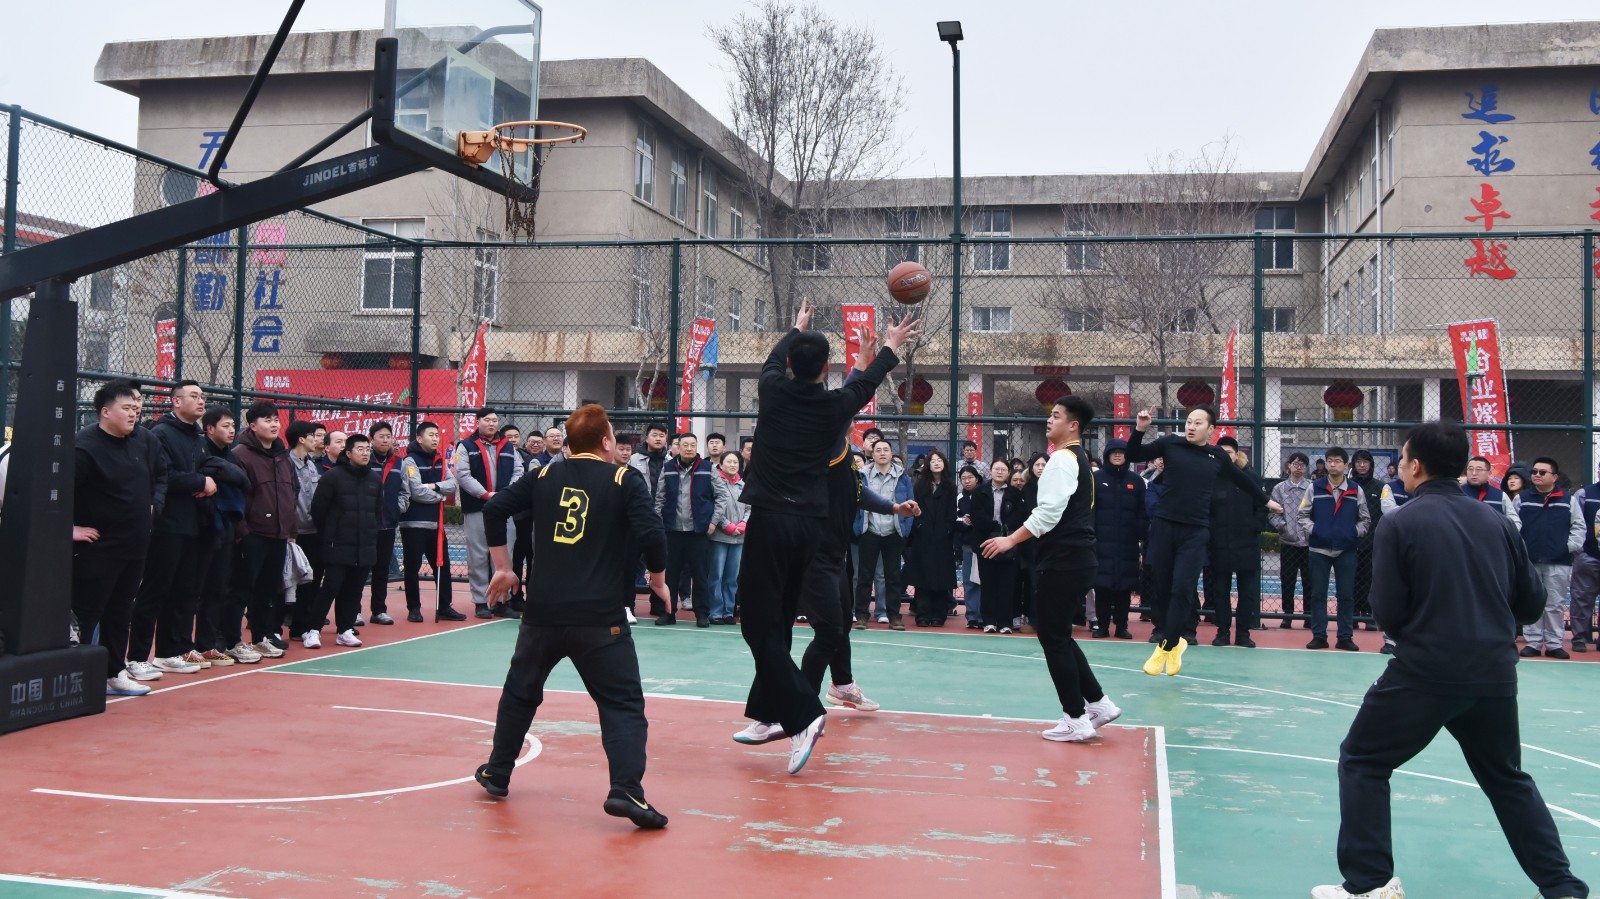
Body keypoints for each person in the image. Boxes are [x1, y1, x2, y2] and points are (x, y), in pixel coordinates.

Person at [1311, 422, 1590, 899]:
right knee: (1506, 779)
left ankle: (1369, 883)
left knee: (1362, 760)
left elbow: (1388, 611)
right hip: (1494, 671)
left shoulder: (1401, 522)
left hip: (1427, 670)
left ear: (1416, 466)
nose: (1401, 467)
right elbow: (1531, 604)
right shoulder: (1498, 522)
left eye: (1402, 459)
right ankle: (1562, 887)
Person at [736, 298, 914, 775]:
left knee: (757, 627)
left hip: (770, 521)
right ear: (826, 369)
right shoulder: (835, 407)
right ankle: (772, 713)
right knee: (776, 625)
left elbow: (775, 358)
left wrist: (796, 327)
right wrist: (889, 348)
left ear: (791, 365)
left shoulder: (772, 389)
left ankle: (803, 714)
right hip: (809, 528)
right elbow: (865, 383)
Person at [473, 404, 672, 829]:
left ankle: (498, 770)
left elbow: (493, 509)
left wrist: (503, 567)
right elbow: (652, 534)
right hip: (600, 618)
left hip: (542, 613)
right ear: (606, 442)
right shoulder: (622, 479)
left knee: (520, 691)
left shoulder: (543, 475)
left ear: (568, 443)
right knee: (622, 703)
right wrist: (657, 580)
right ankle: (625, 790)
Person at [981, 396, 1121, 743]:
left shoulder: (1061, 460)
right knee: (1058, 634)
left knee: (1052, 637)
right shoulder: (1078, 459)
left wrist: (1010, 539)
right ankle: (1098, 704)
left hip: (1064, 559)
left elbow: (1048, 513)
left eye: (1056, 416)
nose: (1049, 420)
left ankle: (1075, 717)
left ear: (1073, 425)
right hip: (1076, 558)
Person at [1127, 405, 1279, 676]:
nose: (1191, 426)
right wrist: (1139, 429)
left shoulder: (1217, 455)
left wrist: (1265, 500)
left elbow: (1242, 480)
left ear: (1210, 429)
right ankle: (1176, 643)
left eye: (1198, 423)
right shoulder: (1170, 444)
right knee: (1162, 588)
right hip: (1164, 526)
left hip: (1195, 531)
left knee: (1182, 588)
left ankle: (1166, 645)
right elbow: (1133, 454)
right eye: (1188, 421)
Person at [74, 380, 167, 696]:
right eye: (126, 408)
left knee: (120, 612)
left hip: (134, 546)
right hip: (97, 549)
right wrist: (70, 528)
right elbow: (56, 495)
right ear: (105, 412)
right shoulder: (84, 447)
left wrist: (152, 509)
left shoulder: (140, 442)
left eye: (135, 408)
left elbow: (159, 478)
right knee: (87, 614)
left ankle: (114, 672)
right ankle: (77, 677)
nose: (134, 413)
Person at [126, 380, 214, 678]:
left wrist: (208, 480)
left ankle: (168, 652)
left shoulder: (197, 436)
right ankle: (137, 657)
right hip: (166, 526)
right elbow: (163, 476)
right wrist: (199, 482)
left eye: (203, 396)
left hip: (193, 524)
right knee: (154, 592)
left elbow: (205, 468)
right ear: (175, 401)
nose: (201, 401)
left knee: (183, 592)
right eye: (194, 396)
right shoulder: (161, 433)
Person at [231, 401, 298, 660]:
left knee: (269, 590)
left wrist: (289, 528)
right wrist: (243, 532)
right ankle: (231, 640)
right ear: (252, 425)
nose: (274, 424)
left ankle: (262, 638)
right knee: (241, 589)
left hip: (278, 533)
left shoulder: (282, 455)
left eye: (276, 419)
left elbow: (291, 491)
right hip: (252, 534)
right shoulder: (240, 455)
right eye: (267, 420)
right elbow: (237, 496)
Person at [192, 406, 257, 665]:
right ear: (209, 428)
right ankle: (186, 647)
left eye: (233, 425)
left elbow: (244, 483)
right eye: (225, 426)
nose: (231, 430)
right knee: (195, 589)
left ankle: (209, 644)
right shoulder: (200, 450)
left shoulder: (230, 455)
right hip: (203, 527)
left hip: (227, 527)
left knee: (218, 587)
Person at [306, 433, 382, 648]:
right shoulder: (333, 477)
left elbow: (377, 512)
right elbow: (318, 510)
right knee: (330, 587)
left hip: (364, 546)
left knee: (354, 590)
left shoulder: (374, 479)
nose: (365, 453)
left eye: (367, 449)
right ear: (348, 453)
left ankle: (345, 630)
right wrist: (332, 533)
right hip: (337, 545)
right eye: (360, 449)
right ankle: (313, 630)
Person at [1296, 447, 1372, 651]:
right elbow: (1302, 515)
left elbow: (1365, 519)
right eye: (1330, 460)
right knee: (1318, 595)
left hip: (1347, 550)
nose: (1333, 464)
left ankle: (1345, 636)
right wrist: (1316, 531)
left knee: (1346, 595)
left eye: (1337, 461)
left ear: (1346, 465)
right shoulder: (1314, 488)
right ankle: (1319, 636)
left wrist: (1353, 533)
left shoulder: (1355, 490)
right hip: (1319, 550)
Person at [454, 408, 525, 620]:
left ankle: (501, 602)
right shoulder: (465, 446)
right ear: (478, 422)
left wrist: (506, 496)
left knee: (505, 556)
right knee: (477, 555)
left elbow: (519, 472)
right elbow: (463, 475)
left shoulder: (508, 446)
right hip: (477, 508)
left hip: (504, 509)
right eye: (487, 420)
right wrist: (485, 495)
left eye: (495, 420)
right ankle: (481, 602)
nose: (492, 423)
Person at [1513, 457, 1585, 660]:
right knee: (1532, 600)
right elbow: (1513, 526)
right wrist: (1521, 550)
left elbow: (1579, 526)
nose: (1537, 475)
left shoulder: (1568, 500)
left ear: (1554, 477)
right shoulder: (1522, 499)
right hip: (1529, 561)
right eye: (1534, 472)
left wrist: (1568, 548)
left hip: (1558, 561)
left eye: (1542, 472)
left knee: (1555, 604)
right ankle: (1533, 643)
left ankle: (1554, 644)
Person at [1204, 437, 1266, 648]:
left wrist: (1255, 526)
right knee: (1220, 592)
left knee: (1246, 593)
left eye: (1229, 452)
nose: (1225, 456)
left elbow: (1262, 505)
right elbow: (1206, 509)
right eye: (1220, 452)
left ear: (1237, 454)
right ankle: (1222, 632)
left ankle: (1243, 634)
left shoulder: (1251, 477)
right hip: (1219, 544)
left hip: (1247, 543)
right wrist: (1211, 532)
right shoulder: (1212, 477)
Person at [657, 432, 723, 627]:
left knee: (700, 575)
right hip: (672, 531)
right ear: (678, 447)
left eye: (692, 445)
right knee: (670, 576)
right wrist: (659, 524)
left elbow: (722, 496)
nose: (688, 448)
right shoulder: (668, 468)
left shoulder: (707, 468)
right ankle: (668, 613)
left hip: (698, 532)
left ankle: (702, 614)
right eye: (684, 445)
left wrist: (713, 522)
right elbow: (659, 499)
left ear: (697, 446)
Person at [400, 421, 461, 622]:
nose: (435, 439)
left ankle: (444, 607)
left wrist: (433, 486)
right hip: (414, 524)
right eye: (431, 435)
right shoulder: (410, 461)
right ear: (419, 438)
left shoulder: (440, 459)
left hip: (437, 525)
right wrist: (440, 496)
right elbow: (417, 491)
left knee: (442, 566)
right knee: (412, 567)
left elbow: (452, 484)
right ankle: (414, 608)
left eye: (437, 435)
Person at [854, 438, 913, 629]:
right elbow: (855, 502)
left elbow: (911, 504)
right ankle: (861, 615)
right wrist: (857, 527)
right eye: (877, 450)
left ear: (891, 453)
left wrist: (905, 529)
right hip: (869, 530)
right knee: (864, 576)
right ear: (872, 454)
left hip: (893, 531)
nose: (881, 453)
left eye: (885, 449)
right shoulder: (862, 475)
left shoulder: (903, 477)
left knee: (893, 576)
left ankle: (894, 615)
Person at [1092, 439, 1145, 640]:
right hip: (1100, 542)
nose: (1117, 455)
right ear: (1107, 455)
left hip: (1127, 542)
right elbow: (1089, 509)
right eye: (1113, 452)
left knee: (1124, 587)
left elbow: (1142, 511)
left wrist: (1140, 532)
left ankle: (1122, 626)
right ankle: (1102, 626)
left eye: (1121, 452)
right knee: (1102, 586)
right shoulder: (1096, 478)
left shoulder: (1136, 481)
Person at [903, 449, 957, 628]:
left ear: (944, 463)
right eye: (932, 460)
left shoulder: (950, 486)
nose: (936, 463)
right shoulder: (919, 485)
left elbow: (952, 513)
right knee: (923, 578)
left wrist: (947, 529)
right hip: (923, 537)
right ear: (927, 464)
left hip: (943, 538)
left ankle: (939, 615)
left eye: (939, 460)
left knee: (941, 578)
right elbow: (914, 510)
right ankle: (923, 615)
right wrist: (919, 526)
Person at [973, 458, 1026, 633]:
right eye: (997, 468)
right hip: (986, 542)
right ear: (990, 470)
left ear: (1008, 472)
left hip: (1009, 543)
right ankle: (989, 621)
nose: (1000, 472)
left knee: (1007, 584)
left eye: (1003, 469)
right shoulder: (980, 492)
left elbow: (1020, 515)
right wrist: (994, 527)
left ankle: (1005, 622)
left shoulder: (1015, 493)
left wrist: (1006, 529)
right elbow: (977, 516)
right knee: (988, 582)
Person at [284, 420, 326, 642]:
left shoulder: (311, 465)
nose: (317, 440)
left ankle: (301, 626)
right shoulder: (285, 463)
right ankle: (273, 627)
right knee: (285, 580)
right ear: (301, 439)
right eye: (313, 436)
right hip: (292, 532)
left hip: (312, 530)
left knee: (310, 580)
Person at [365, 422, 410, 626]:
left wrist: (395, 509)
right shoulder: (364, 460)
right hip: (364, 525)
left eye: (388, 436)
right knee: (359, 569)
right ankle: (353, 611)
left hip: (388, 524)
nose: (385, 440)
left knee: (381, 569)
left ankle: (379, 610)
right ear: (371, 439)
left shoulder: (399, 463)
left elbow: (405, 492)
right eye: (381, 436)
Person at [1270, 452, 1314, 630]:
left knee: (1309, 580)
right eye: (1295, 463)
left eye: (1302, 464)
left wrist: (1312, 530)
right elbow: (1272, 513)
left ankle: (1309, 615)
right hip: (1288, 541)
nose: (1298, 467)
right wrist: (1283, 527)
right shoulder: (1279, 488)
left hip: (1309, 542)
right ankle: (1287, 615)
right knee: (1287, 580)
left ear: (1306, 468)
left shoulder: (1312, 487)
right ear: (1288, 466)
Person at [707, 450, 748, 626]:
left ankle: (728, 611)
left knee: (732, 577)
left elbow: (750, 508)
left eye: (735, 462)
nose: (732, 465)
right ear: (721, 465)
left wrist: (743, 524)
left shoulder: (743, 485)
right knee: (716, 575)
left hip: (739, 538)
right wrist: (726, 525)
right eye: (729, 462)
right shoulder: (715, 482)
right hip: (719, 537)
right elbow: (713, 506)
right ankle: (715, 611)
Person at [1349, 449, 1386, 630]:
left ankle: (1369, 614)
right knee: (1351, 579)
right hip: (1351, 541)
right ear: (1353, 465)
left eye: (1365, 461)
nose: (1362, 465)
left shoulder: (1380, 487)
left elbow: (1385, 513)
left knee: (1370, 580)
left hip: (1372, 543)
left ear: (1371, 464)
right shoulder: (1348, 486)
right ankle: (1353, 615)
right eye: (1358, 462)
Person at [1570, 466, 1600, 653]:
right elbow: (1576, 523)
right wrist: (1580, 551)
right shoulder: (1584, 495)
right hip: (1588, 555)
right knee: (1582, 598)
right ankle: (1580, 638)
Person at [954, 464, 985, 630]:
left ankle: (984, 616)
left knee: (984, 580)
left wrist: (978, 520)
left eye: (970, 477)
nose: (967, 481)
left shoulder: (985, 493)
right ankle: (972, 616)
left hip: (986, 543)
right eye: (963, 478)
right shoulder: (959, 498)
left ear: (977, 479)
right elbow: (954, 519)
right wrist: (964, 522)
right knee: (969, 581)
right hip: (967, 544)